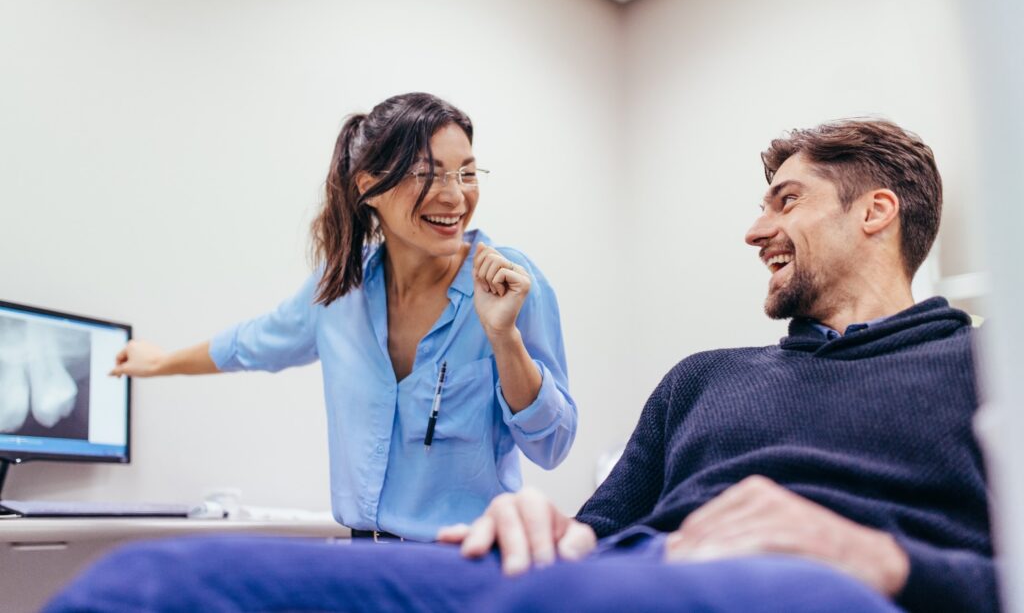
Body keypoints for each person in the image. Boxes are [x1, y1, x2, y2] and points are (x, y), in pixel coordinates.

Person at [45, 119, 995, 613]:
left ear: (876, 212)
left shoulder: (986, 372)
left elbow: (550, 433)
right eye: (429, 176)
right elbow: (597, 525)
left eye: (783, 200)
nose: (753, 228)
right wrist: (544, 522)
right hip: (532, 573)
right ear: (375, 194)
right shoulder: (705, 377)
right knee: (153, 585)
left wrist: (883, 557)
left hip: (803, 592)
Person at [108, 92, 577, 541]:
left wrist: (504, 337)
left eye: (467, 174)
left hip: (467, 566)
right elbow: (250, 343)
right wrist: (161, 362)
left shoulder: (507, 283)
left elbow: (551, 446)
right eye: (427, 174)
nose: (454, 197)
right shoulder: (339, 290)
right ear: (369, 185)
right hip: (364, 558)